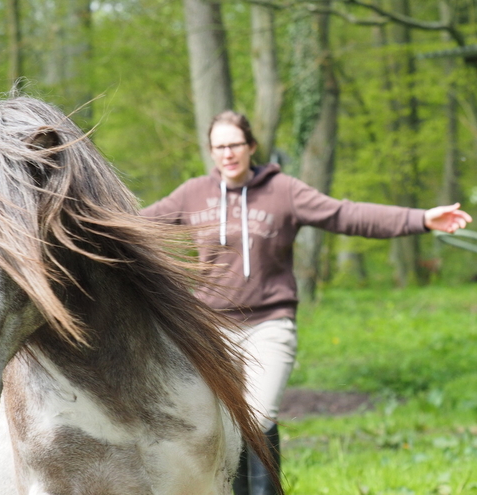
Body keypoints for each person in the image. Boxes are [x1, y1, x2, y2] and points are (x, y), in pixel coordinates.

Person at [140, 110, 473, 495]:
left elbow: (346, 215)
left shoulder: (283, 191)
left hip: (268, 324)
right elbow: (137, 225)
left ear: (251, 147)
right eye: (219, 147)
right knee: (221, 425)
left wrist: (422, 219)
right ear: (211, 151)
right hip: (213, 330)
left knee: (259, 415)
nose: (227, 154)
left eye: (234, 145)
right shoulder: (193, 193)